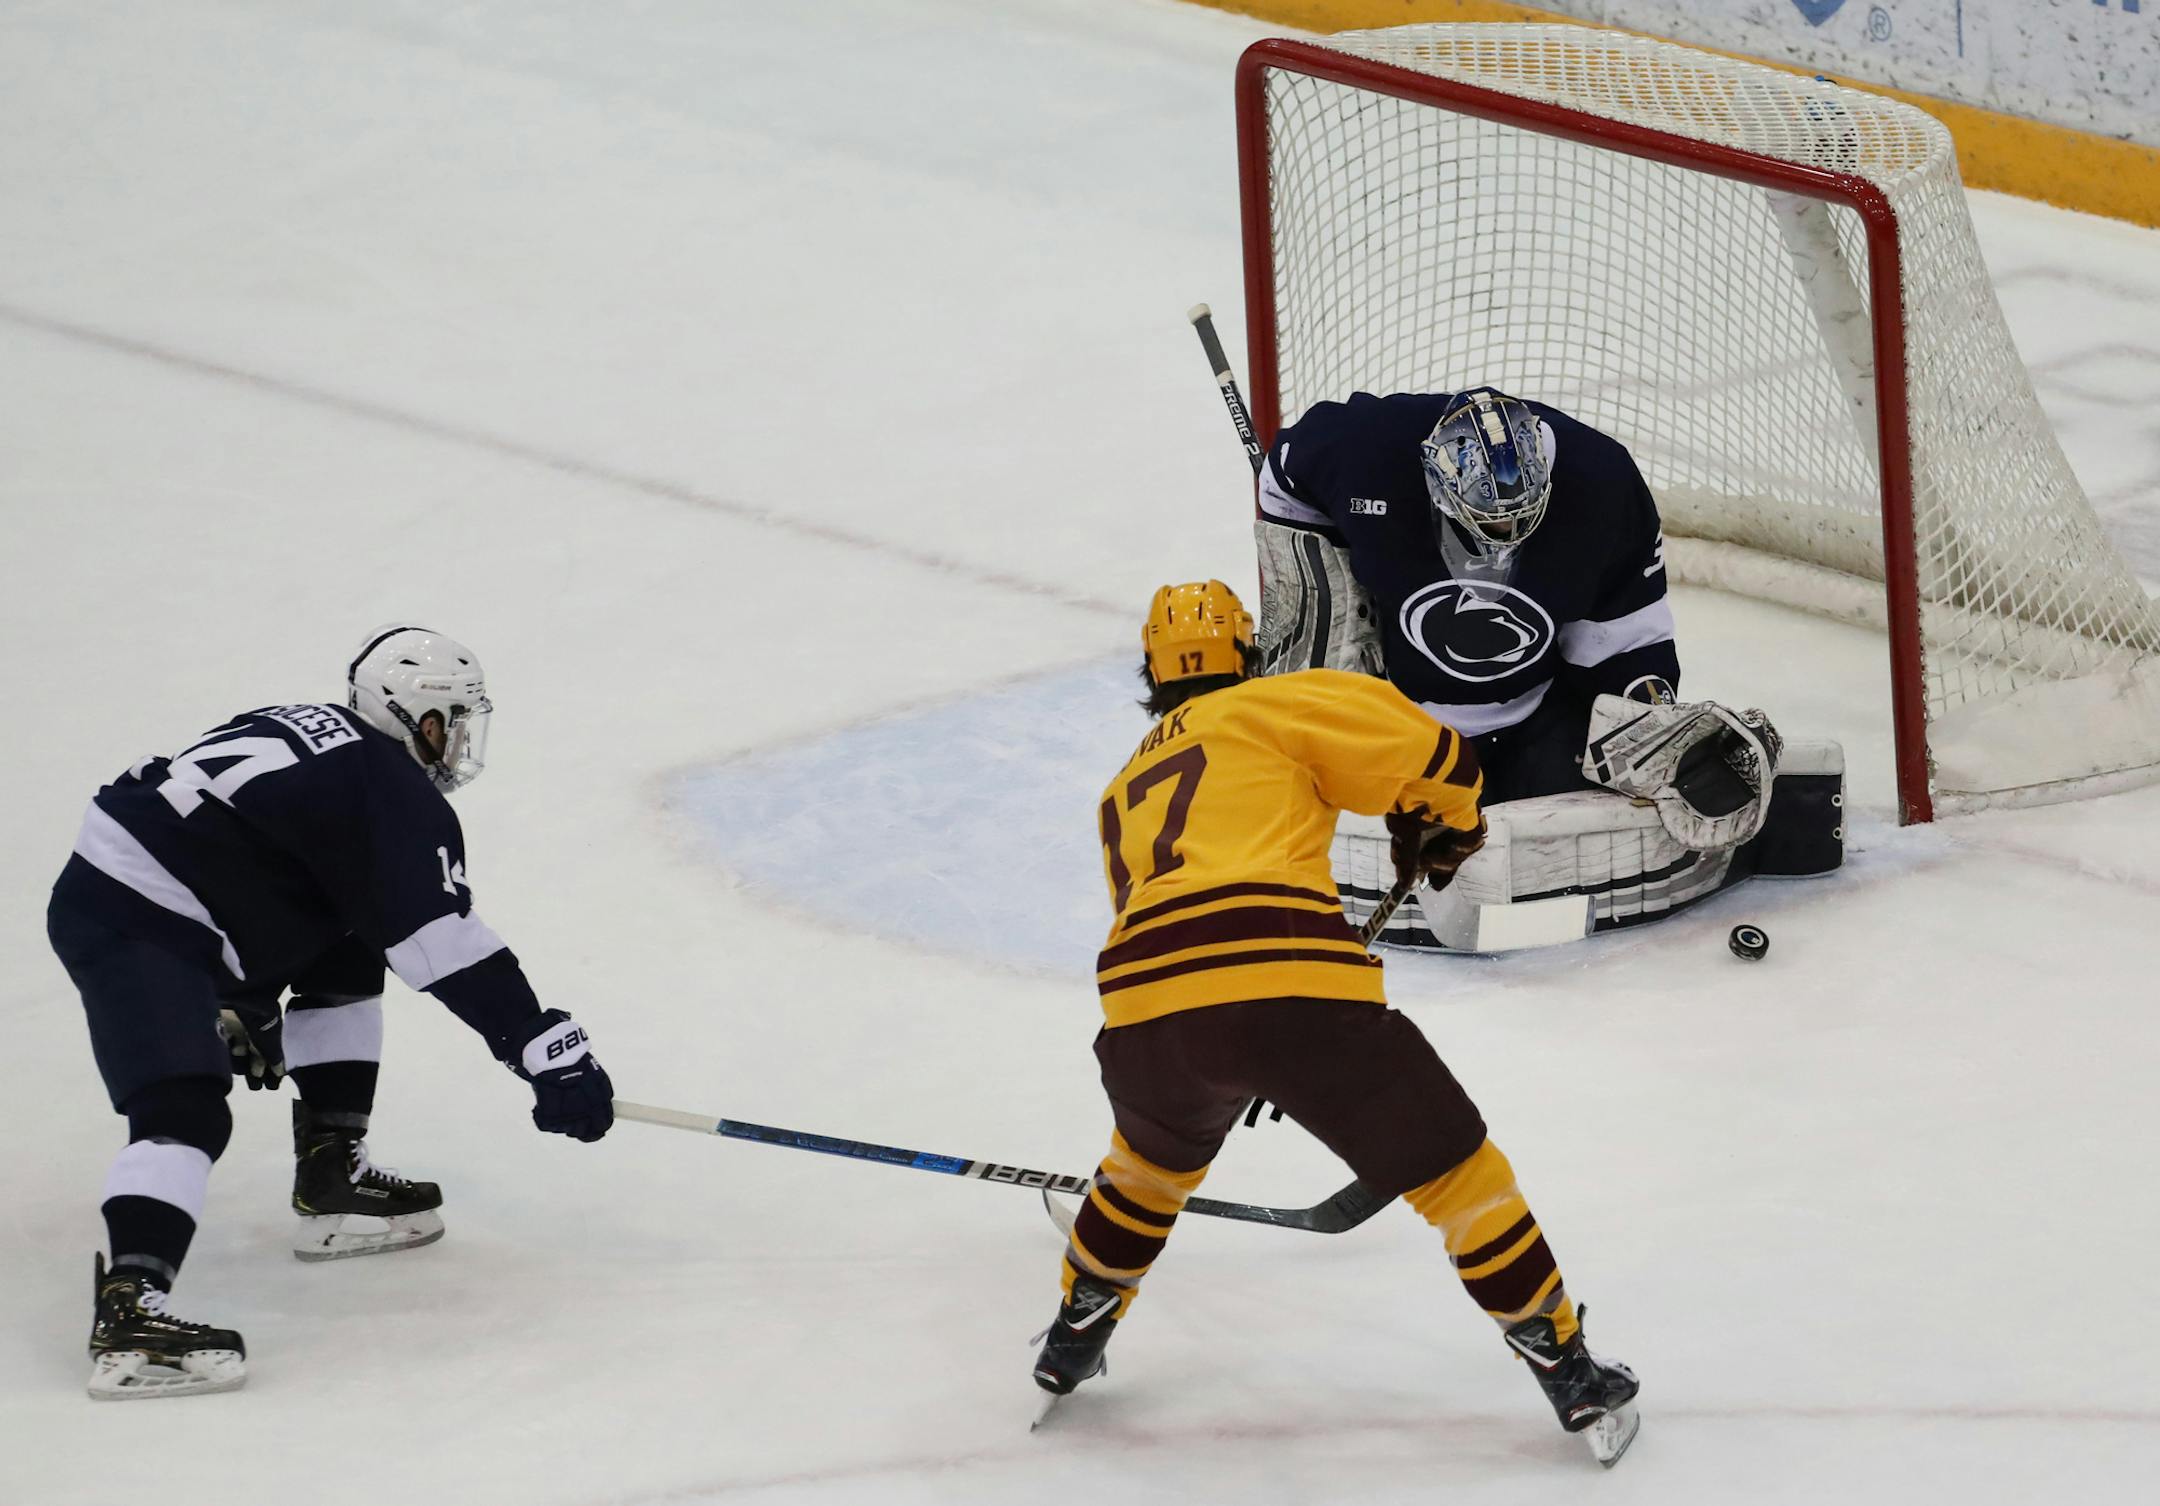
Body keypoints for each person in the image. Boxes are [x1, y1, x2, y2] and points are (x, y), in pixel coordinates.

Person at [1030, 581, 1640, 1466]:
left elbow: (1182, 930)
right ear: (1245, 654)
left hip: (1142, 1015)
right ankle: (1570, 1371)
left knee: (1144, 1173)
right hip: (1284, 985)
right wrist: (1446, 821)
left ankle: (1071, 1339)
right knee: (1459, 1177)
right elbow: (1440, 757)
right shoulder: (1271, 700)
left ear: (1151, 678)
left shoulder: (1120, 787)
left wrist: (1241, 1053)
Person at [47, 625, 614, 1400]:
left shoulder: (314, 729)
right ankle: (131, 1313)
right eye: (453, 719)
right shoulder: (392, 796)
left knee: (351, 938)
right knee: (184, 1108)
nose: (457, 743)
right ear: (422, 719)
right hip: (137, 915)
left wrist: (240, 994)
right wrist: (543, 1048)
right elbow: (442, 946)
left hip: (149, 885)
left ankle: (330, 1177)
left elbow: (232, 838)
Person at [1253, 387, 1835, 941]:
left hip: (1535, 724)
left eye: (1518, 522)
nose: (1503, 539)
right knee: (1302, 727)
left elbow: (1627, 640)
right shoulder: (1362, 447)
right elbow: (1283, 479)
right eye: (1487, 523)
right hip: (1394, 731)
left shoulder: (1601, 481)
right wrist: (1313, 586)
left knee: (1635, 755)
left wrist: (1650, 727)